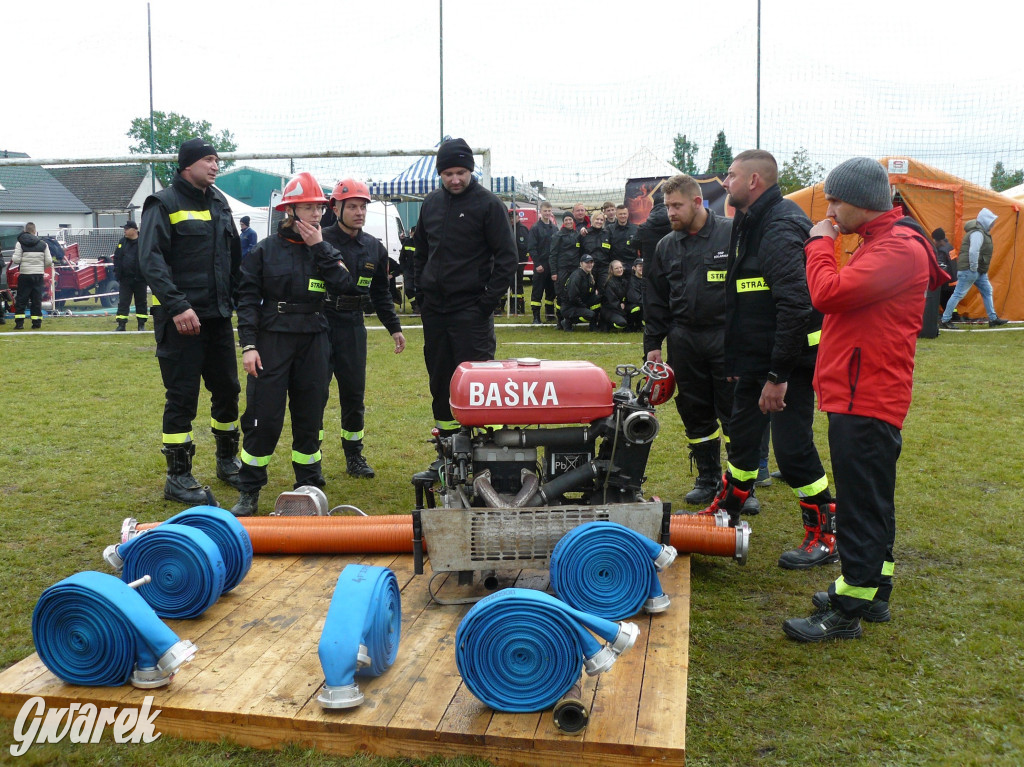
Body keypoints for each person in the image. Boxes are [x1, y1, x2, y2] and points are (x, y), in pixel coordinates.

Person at [783, 157, 949, 641]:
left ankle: (847, 609)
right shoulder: (884, 242)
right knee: (871, 499)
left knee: (860, 504)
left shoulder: (895, 247)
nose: (830, 209)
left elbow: (827, 293)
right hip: (861, 391)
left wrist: (820, 241)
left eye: (835, 200)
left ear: (859, 201)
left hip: (867, 394)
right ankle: (874, 591)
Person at [710, 149, 834, 569]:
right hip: (755, 361)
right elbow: (744, 299)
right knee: (742, 439)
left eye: (730, 175)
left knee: (792, 449)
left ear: (754, 182)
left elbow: (797, 306)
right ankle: (727, 511)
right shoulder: (748, 221)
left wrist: (778, 375)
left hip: (788, 363)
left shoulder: (780, 224)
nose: (724, 183)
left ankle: (824, 535)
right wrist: (737, 364)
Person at [230, 173, 358, 515]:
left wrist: (319, 246)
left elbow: (345, 284)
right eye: (308, 207)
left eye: (319, 207)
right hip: (272, 340)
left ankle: (309, 485)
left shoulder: (326, 249)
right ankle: (250, 488)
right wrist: (249, 346)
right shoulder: (264, 251)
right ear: (289, 210)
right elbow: (246, 301)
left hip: (314, 338)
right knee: (263, 417)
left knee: (309, 415)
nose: (316, 214)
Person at [138, 138, 243, 506]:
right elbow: (150, 260)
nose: (216, 166)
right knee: (182, 398)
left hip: (216, 318)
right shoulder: (163, 203)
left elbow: (232, 260)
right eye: (209, 160)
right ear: (187, 165)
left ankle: (228, 461)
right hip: (180, 320)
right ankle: (178, 476)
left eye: (218, 160)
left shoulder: (218, 202)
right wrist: (178, 306)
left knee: (228, 390)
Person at [412, 137, 517, 471]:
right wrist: (419, 292)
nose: (454, 179)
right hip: (435, 312)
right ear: (440, 173)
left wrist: (486, 303)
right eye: (448, 173)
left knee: (477, 384)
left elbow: (507, 257)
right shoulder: (429, 204)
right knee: (440, 381)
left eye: (460, 172)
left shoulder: (489, 205)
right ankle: (445, 454)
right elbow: (420, 252)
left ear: (471, 170)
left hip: (471, 311)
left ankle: (481, 454)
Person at [644, 174, 737, 506]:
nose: (670, 213)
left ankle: (740, 486)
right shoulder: (666, 245)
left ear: (698, 202)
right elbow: (655, 299)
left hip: (726, 337)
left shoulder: (731, 234)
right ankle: (707, 477)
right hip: (683, 339)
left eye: (676, 205)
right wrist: (653, 345)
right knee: (695, 410)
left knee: (734, 412)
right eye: (667, 206)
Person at [321, 179, 406, 479]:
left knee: (354, 394)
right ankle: (310, 460)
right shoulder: (319, 241)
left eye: (363, 206)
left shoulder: (373, 247)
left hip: (353, 327)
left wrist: (394, 328)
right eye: (352, 206)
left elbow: (381, 292)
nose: (359, 212)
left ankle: (354, 455)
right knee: (314, 393)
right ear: (336, 207)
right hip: (320, 324)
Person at [939, 208, 1008, 328]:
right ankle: (945, 320)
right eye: (991, 221)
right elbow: (973, 251)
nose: (993, 224)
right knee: (958, 294)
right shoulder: (977, 233)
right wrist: (974, 267)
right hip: (971, 270)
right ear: (985, 221)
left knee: (987, 291)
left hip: (978, 270)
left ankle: (993, 318)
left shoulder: (980, 232)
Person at [11, 222, 52, 330]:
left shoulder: (20, 243)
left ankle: (19, 324)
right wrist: (40, 267)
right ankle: (36, 323)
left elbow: (16, 260)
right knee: (36, 299)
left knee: (21, 300)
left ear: (25, 231)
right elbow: (49, 261)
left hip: (25, 274)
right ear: (34, 231)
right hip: (38, 275)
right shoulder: (43, 244)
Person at [113, 221, 148, 331]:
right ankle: (121, 324)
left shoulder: (144, 241)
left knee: (141, 302)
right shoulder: (122, 242)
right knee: (123, 302)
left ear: (134, 230)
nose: (125, 231)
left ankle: (141, 325)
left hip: (140, 279)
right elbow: (117, 257)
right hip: (125, 279)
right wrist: (117, 272)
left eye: (127, 229)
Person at [527, 201, 558, 323]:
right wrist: (537, 264)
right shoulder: (535, 228)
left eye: (549, 211)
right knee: (537, 291)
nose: (547, 213)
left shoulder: (555, 228)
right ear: (541, 212)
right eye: (545, 211)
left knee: (551, 291)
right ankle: (536, 316)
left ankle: (550, 314)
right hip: (540, 264)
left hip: (552, 265)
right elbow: (531, 248)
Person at [551, 213, 579, 326]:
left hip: (575, 269)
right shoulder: (557, 236)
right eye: (566, 220)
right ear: (563, 221)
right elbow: (553, 255)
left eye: (570, 219)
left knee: (573, 293)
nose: (568, 221)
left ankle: (570, 319)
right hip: (562, 269)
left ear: (573, 221)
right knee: (561, 294)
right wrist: (553, 272)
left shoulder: (578, 235)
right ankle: (559, 319)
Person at [561, 253, 600, 331]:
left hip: (580, 303)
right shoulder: (577, 276)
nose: (590, 265)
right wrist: (584, 307)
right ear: (581, 264)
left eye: (591, 262)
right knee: (590, 314)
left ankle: (593, 327)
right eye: (587, 263)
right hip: (570, 307)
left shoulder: (588, 275)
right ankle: (568, 322)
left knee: (598, 299)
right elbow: (573, 297)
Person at [635, 189, 670, 262]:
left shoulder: (643, 227)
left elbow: (634, 243)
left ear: (653, 206)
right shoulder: (677, 225)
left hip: (651, 266)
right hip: (671, 265)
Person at [578, 209, 612, 286]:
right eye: (597, 219)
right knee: (589, 289)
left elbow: (612, 251)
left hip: (604, 268)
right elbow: (579, 251)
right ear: (592, 220)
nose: (599, 221)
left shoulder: (607, 234)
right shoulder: (585, 234)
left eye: (601, 220)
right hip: (589, 267)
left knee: (603, 290)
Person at [507, 209, 530, 315]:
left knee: (518, 284)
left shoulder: (523, 229)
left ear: (518, 217)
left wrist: (523, 262)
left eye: (513, 217)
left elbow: (526, 247)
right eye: (510, 218)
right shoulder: (507, 228)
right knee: (510, 284)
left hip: (519, 262)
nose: (512, 220)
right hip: (508, 262)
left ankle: (518, 306)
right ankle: (510, 306)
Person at [931, 228, 957, 313]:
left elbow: (941, 267)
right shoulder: (950, 247)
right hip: (954, 279)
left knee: (943, 300)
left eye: (934, 240)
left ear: (939, 240)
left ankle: (950, 317)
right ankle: (954, 315)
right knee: (951, 301)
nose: (933, 243)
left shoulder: (941, 251)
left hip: (946, 282)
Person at [600, 259, 629, 331]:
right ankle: (606, 323)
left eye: (620, 267)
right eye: (616, 268)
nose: (619, 270)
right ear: (612, 270)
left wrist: (624, 303)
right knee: (622, 323)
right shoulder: (609, 283)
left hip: (620, 308)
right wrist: (622, 310)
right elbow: (612, 301)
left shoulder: (624, 281)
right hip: (610, 309)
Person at [608, 203, 638, 269]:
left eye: (624, 214)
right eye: (620, 214)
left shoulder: (635, 229)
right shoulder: (609, 229)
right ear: (616, 215)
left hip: (631, 265)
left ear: (628, 214)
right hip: (615, 266)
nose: (623, 216)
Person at [400, 226, 419, 313]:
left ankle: (420, 307)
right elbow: (402, 258)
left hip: (420, 271)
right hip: (409, 271)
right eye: (413, 232)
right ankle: (415, 306)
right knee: (408, 289)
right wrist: (404, 269)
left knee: (421, 290)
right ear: (411, 233)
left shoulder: (423, 243)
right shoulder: (407, 242)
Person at [624, 257, 644, 330]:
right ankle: (631, 325)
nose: (642, 268)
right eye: (640, 266)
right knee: (636, 308)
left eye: (643, 266)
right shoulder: (631, 281)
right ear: (634, 268)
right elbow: (635, 298)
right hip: (633, 305)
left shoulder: (647, 280)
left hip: (644, 304)